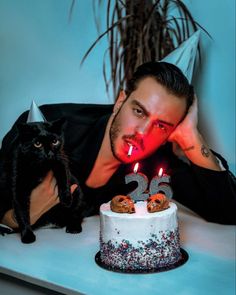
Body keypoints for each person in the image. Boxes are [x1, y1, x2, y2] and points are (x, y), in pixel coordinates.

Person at [0, 61, 236, 228]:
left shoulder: (156, 158)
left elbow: (228, 211)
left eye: (161, 125)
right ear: (120, 100)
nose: (142, 133)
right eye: (138, 111)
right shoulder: (45, 132)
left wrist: (192, 139)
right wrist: (23, 215)